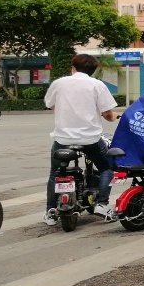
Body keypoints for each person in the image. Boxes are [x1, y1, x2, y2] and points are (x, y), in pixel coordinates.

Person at [43, 53, 119, 225]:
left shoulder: (59, 83)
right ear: (93, 70)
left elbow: (49, 105)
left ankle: (50, 211)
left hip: (62, 139)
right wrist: (113, 117)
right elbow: (107, 114)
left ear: (73, 68)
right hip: (90, 139)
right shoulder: (97, 85)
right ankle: (102, 204)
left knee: (54, 173)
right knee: (107, 168)